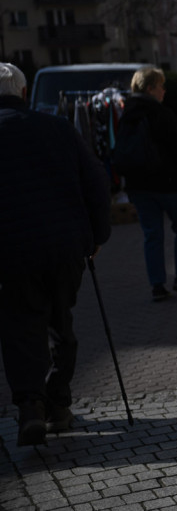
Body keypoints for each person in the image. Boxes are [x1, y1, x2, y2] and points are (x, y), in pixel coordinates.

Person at [0, 62, 111, 445]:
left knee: (19, 325)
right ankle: (59, 402)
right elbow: (96, 181)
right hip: (64, 245)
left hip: (11, 250)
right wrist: (98, 235)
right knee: (59, 322)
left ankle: (32, 406)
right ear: (24, 92)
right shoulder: (58, 127)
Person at [118, 67, 177, 302]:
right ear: (150, 88)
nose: (164, 90)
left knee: (152, 235)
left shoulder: (127, 115)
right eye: (160, 86)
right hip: (169, 184)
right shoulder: (162, 114)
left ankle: (157, 284)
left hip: (139, 186)